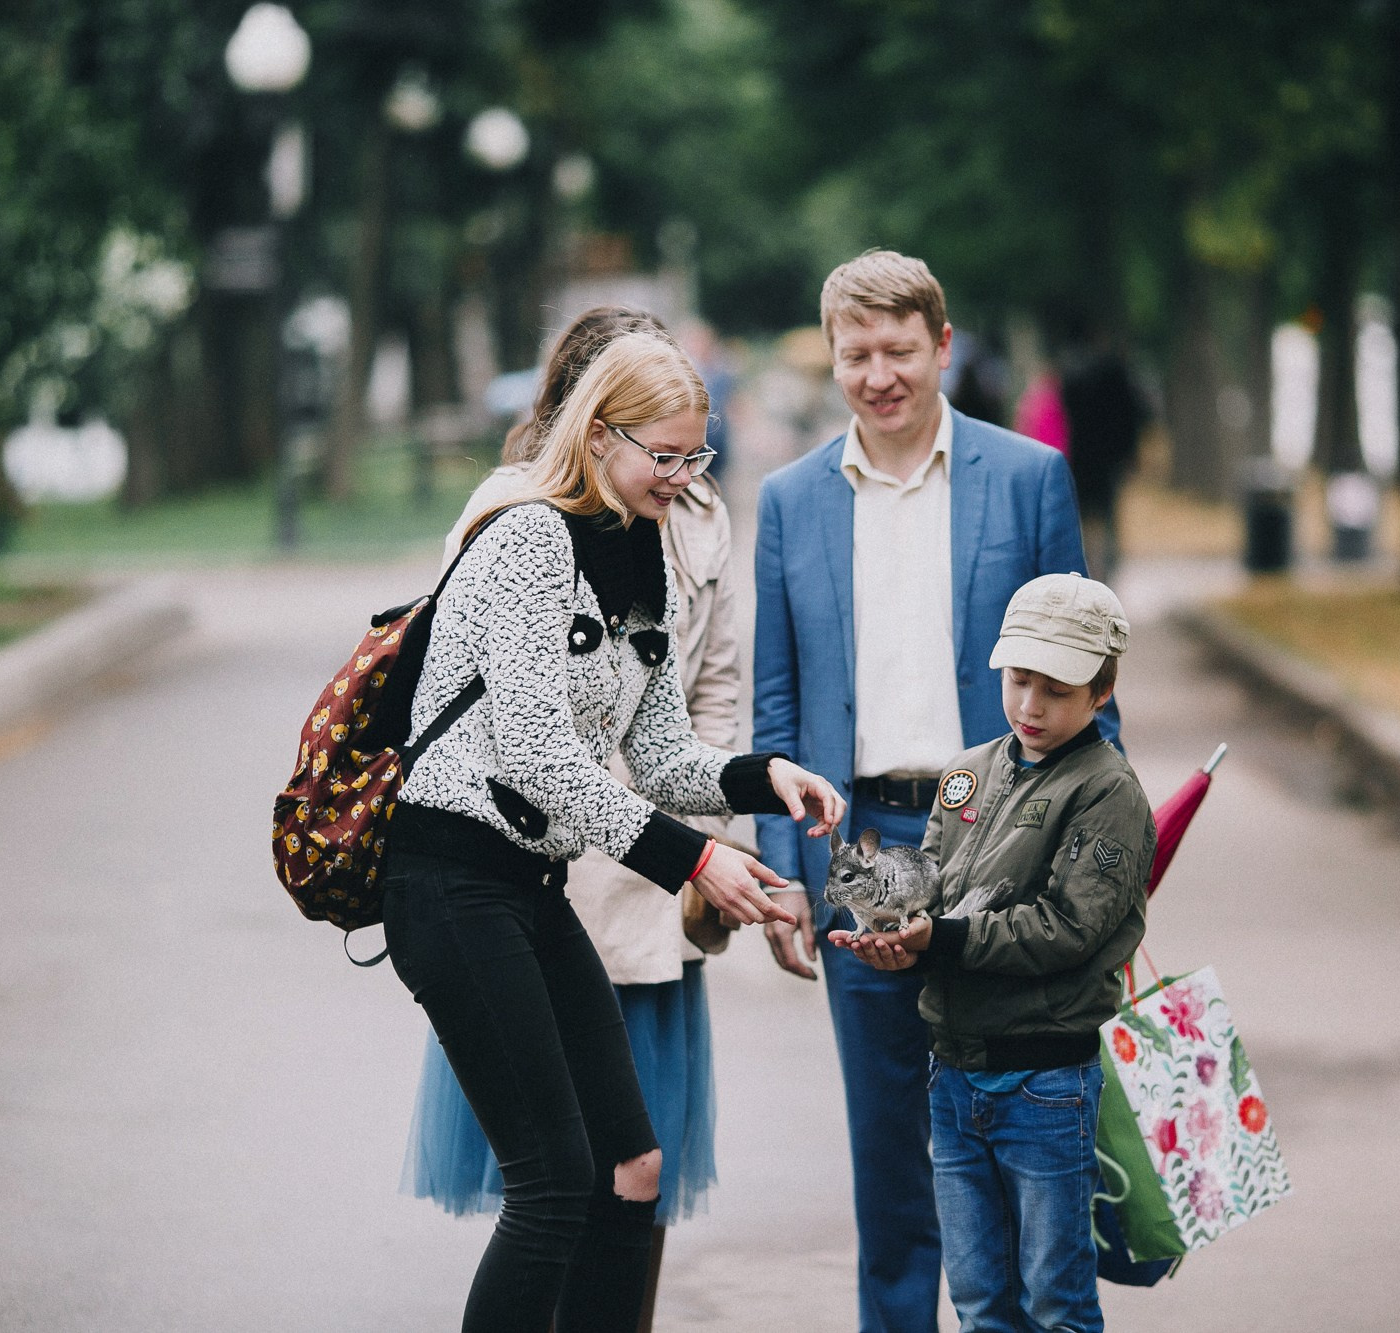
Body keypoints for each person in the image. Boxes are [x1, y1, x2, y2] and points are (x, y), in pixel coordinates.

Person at [383, 327, 844, 1333]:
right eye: (663, 456)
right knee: (552, 1182)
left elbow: (668, 757)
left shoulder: (642, 548)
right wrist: (698, 859)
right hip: (449, 880)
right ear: (598, 437)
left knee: (633, 1165)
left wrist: (769, 778)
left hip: (528, 886)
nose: (681, 478)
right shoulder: (525, 538)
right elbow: (546, 762)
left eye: (697, 456)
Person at [753, 249, 1114, 1333]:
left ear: (941, 347)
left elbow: (1091, 678)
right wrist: (786, 875)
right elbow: (774, 713)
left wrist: (1104, 874)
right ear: (832, 358)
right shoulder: (786, 502)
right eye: (854, 354)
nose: (877, 375)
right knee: (892, 1163)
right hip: (859, 848)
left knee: (1016, 1149)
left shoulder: (1025, 477)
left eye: (898, 350)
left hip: (1008, 839)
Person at [834, 573, 1153, 1333]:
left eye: (1057, 689)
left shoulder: (1107, 792)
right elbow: (936, 890)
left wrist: (942, 938)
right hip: (953, 1073)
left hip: (1045, 1082)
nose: (1031, 707)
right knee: (979, 1300)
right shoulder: (967, 772)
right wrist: (899, 939)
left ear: (1102, 691)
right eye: (1019, 681)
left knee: (1055, 1300)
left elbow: (1066, 927)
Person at [1059, 329, 1149, 580]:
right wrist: (1129, 452)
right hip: (1108, 458)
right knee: (1108, 512)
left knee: (1083, 515)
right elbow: (1131, 414)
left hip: (1081, 455)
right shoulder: (1115, 373)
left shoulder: (1072, 376)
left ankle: (1086, 566)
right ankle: (1107, 568)